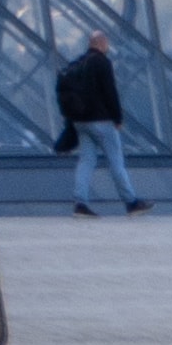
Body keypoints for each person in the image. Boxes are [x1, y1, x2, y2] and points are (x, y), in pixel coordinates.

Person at [56, 27, 146, 218]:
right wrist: (118, 118)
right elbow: (110, 92)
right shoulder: (102, 63)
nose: (108, 46)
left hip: (80, 122)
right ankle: (131, 202)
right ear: (99, 43)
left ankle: (80, 203)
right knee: (116, 162)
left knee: (86, 161)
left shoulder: (77, 64)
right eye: (106, 43)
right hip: (101, 120)